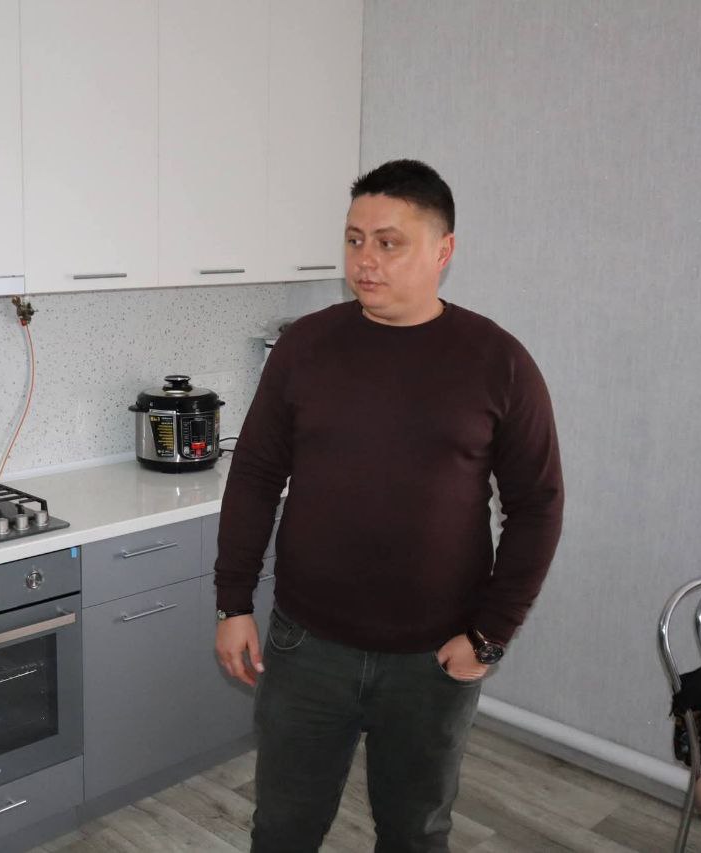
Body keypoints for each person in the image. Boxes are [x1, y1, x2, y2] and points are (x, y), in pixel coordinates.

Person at [212, 159, 564, 853]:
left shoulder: (498, 362)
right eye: (354, 239)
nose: (364, 260)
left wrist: (490, 634)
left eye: (388, 242)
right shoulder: (305, 347)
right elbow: (254, 474)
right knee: (282, 827)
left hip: (433, 658)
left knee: (415, 832)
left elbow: (538, 506)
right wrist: (233, 603)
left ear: (443, 249)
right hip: (307, 647)